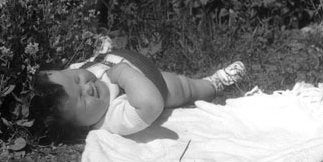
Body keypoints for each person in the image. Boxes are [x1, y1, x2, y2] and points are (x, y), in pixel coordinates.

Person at [31, 46, 246, 138]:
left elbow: (82, 66)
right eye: (82, 99)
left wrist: (100, 55)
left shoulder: (77, 73)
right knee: (184, 86)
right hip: (158, 85)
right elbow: (150, 105)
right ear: (79, 126)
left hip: (127, 60)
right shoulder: (110, 117)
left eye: (77, 79)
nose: (87, 87)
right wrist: (124, 74)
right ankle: (213, 84)